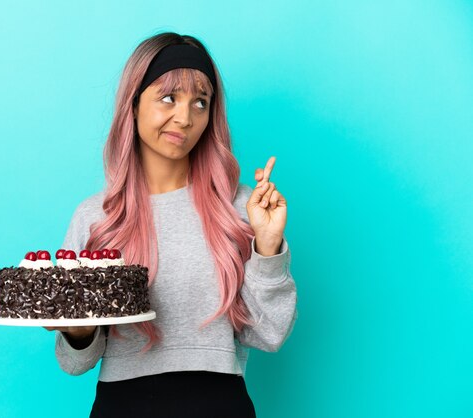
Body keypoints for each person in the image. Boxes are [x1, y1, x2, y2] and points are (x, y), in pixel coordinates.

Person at [45, 32, 298, 418]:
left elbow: (269, 334)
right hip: (122, 406)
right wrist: (78, 331)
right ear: (133, 104)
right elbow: (75, 362)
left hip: (219, 405)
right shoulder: (96, 216)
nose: (186, 117)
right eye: (169, 98)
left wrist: (267, 248)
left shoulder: (242, 207)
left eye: (201, 102)